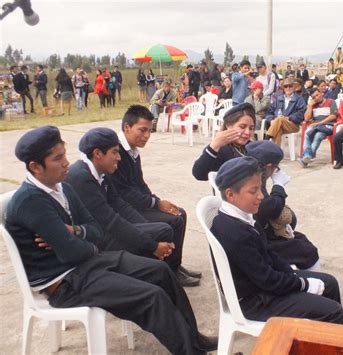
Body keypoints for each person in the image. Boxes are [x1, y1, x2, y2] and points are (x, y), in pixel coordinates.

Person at [6, 126, 218, 355]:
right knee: (151, 297)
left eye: (65, 154)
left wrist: (75, 232)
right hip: (65, 282)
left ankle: (193, 338)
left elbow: (94, 228)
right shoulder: (31, 202)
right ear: (35, 167)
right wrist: (83, 241)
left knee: (160, 271)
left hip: (86, 264)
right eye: (58, 158)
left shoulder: (62, 187)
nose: (67, 162)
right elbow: (73, 253)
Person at [211, 156, 343, 324]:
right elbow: (267, 279)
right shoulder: (234, 233)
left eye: (260, 188)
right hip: (256, 302)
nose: (261, 196)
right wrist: (303, 284)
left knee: (329, 283)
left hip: (264, 287)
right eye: (253, 191)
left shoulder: (244, 217)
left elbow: (270, 254)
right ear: (231, 194)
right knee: (334, 312)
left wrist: (291, 274)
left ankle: (324, 340)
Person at [64, 128, 185, 270]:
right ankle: (159, 274)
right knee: (161, 232)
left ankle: (164, 272)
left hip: (106, 231)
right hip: (95, 240)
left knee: (160, 230)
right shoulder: (81, 178)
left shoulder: (101, 171)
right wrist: (152, 245)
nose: (119, 158)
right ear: (97, 154)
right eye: (114, 152)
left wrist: (146, 227)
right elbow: (111, 222)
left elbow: (120, 205)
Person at [110, 105, 201, 287]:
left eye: (149, 131)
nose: (146, 136)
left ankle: (175, 265)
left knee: (179, 213)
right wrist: (155, 203)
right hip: (124, 210)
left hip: (137, 203)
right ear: (126, 127)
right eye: (142, 130)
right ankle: (169, 270)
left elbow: (140, 183)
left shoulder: (132, 150)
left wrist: (157, 201)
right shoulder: (117, 152)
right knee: (173, 221)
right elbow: (124, 193)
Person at [246, 141, 320, 270]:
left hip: (257, 231)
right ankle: (310, 285)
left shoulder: (247, 172)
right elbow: (269, 208)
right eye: (276, 167)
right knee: (307, 251)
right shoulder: (252, 181)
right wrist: (278, 186)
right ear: (269, 166)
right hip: (257, 241)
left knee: (299, 238)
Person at [192, 103, 256, 181]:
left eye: (251, 128)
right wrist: (214, 146)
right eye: (242, 127)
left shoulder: (252, 147)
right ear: (229, 125)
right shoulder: (221, 149)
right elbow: (199, 174)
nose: (247, 132)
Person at [299, 89, 338, 167]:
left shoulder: (331, 102)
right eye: (313, 97)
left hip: (327, 126)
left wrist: (320, 123)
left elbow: (333, 116)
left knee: (318, 135)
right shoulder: (313, 105)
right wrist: (309, 106)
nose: (316, 98)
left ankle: (307, 156)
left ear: (321, 93)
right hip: (315, 126)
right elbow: (306, 119)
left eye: (317, 95)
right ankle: (307, 157)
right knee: (307, 133)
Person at [264, 78, 306, 145]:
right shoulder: (279, 99)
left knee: (280, 119)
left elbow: (301, 114)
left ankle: (266, 138)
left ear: (294, 87)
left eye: (290, 86)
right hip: (277, 124)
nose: (288, 88)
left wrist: (289, 118)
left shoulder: (299, 99)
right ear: (283, 88)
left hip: (292, 125)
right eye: (286, 86)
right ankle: (275, 153)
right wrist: (271, 120)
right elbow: (269, 112)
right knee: (278, 130)